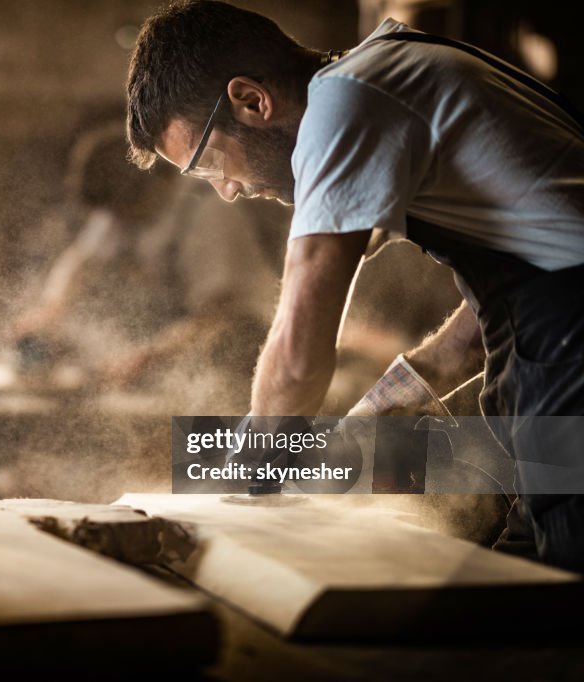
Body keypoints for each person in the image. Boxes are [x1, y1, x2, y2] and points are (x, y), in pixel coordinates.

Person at [125, 1, 584, 569]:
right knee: (531, 565)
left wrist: (239, 487)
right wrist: (395, 400)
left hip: (571, 361)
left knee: (562, 585)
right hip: (560, 349)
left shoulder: (345, 102)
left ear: (251, 101)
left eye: (207, 163)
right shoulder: (387, 73)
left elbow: (297, 357)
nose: (227, 190)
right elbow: (512, 294)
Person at [14, 122, 284, 413]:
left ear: (152, 186)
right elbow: (81, 262)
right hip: (182, 338)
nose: (115, 222)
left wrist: (147, 357)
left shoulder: (208, 211)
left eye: (122, 212)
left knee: (215, 427)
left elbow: (217, 315)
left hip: (245, 341)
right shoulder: (123, 208)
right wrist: (51, 309)